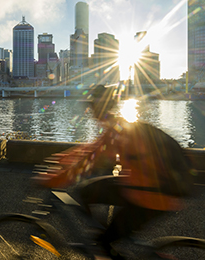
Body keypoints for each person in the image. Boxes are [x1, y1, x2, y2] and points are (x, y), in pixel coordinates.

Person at [42, 84, 194, 259]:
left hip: (152, 195)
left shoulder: (117, 130)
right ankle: (104, 233)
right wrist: (61, 158)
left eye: (91, 106)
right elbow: (91, 150)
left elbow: (87, 163)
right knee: (87, 191)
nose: (90, 111)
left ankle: (104, 243)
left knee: (103, 244)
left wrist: (51, 180)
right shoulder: (120, 125)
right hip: (145, 186)